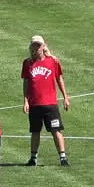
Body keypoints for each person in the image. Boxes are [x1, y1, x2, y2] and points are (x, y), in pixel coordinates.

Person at [21, 35, 71, 167]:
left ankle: (63, 157)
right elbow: (26, 82)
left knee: (56, 130)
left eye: (38, 45)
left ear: (43, 46)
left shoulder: (53, 61)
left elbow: (59, 79)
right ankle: (33, 158)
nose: (36, 48)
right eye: (34, 45)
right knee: (35, 131)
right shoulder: (27, 63)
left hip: (50, 104)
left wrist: (65, 97)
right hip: (34, 104)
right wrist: (25, 100)